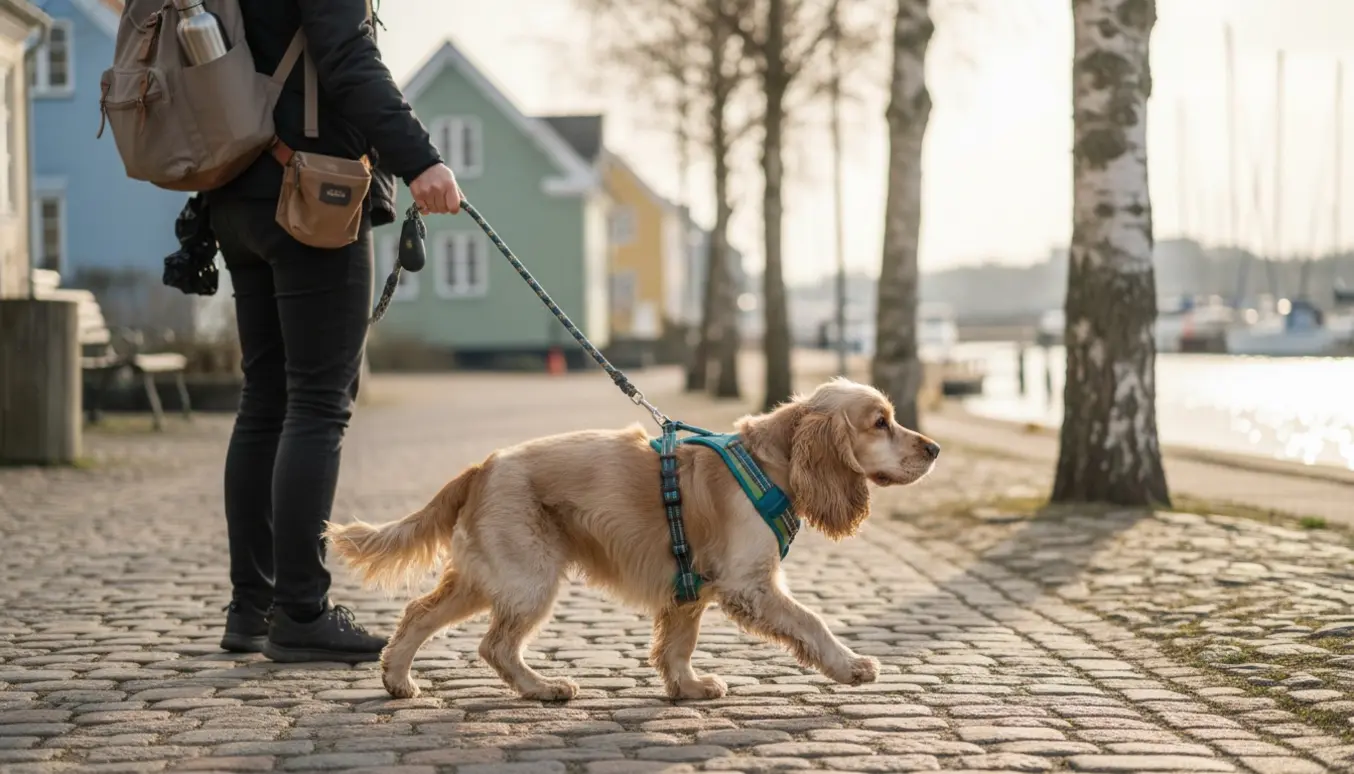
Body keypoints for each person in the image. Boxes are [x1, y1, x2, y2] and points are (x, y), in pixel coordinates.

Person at [211, 0, 462, 663]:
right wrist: (421, 160)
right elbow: (348, 57)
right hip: (309, 190)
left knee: (264, 397)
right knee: (318, 401)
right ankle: (299, 611)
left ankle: (252, 605)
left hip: (234, 190)